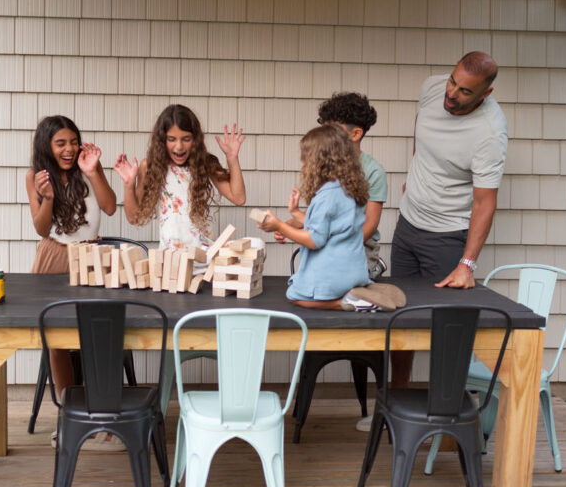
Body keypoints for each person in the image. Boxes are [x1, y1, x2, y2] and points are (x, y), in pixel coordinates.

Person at [390, 51, 508, 386]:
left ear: (485, 94)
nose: (452, 94)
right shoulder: (432, 89)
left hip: (447, 237)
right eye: (452, 82)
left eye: (465, 91)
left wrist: (467, 263)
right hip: (407, 225)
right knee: (400, 319)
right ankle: (396, 404)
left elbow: (485, 202)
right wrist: (417, 171)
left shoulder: (489, 133)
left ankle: (447, 421)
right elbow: (423, 132)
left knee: (447, 330)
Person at [257, 124, 403, 311]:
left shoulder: (326, 196)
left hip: (333, 275)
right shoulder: (349, 189)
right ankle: (365, 290)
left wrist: (279, 226)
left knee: (294, 295)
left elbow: (314, 240)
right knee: (304, 287)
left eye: (305, 158)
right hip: (355, 271)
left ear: (319, 162)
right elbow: (332, 226)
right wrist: (295, 213)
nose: (302, 164)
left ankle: (347, 302)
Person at [26, 115, 116, 406]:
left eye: (74, 142)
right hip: (55, 257)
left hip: (91, 257)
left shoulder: (87, 165)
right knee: (58, 339)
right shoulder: (35, 176)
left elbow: (110, 206)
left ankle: (99, 407)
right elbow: (41, 228)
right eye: (60, 143)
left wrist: (93, 172)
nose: (69, 149)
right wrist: (48, 197)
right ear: (46, 146)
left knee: (98, 334)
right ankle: (68, 412)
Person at [114, 104, 247, 250]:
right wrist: (128, 184)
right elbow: (133, 217)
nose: (179, 146)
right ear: (162, 139)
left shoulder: (205, 162)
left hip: (203, 256)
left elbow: (238, 198)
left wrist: (232, 158)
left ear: (195, 139)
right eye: (171, 139)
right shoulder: (149, 165)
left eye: (186, 139)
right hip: (171, 259)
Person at [315, 92, 388, 279]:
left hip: (358, 245)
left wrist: (338, 248)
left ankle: (372, 268)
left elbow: (370, 225)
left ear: (355, 134)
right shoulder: (323, 166)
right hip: (325, 241)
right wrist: (290, 228)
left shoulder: (373, 171)